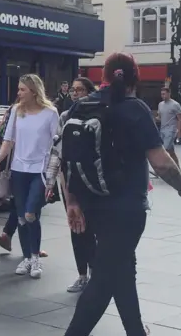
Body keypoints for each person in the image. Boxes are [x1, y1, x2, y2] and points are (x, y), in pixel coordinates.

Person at [57, 53, 181, 336]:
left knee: (122, 268)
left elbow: (66, 158)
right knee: (104, 280)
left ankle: (135, 331)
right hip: (126, 209)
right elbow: (160, 162)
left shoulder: (80, 106)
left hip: (91, 203)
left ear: (103, 77)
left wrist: (72, 201)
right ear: (135, 79)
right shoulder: (136, 109)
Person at [0, 74, 59, 278]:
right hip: (19, 169)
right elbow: (8, 140)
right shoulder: (17, 111)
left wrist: (55, 173)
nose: (18, 93)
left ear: (33, 91)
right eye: (18, 89)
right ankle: (27, 258)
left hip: (40, 170)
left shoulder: (50, 113)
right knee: (20, 218)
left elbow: (57, 143)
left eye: (22, 90)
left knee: (30, 214)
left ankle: (35, 259)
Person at [0, 102, 48, 258]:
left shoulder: (13, 109)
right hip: (22, 162)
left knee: (22, 205)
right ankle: (32, 249)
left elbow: (2, 138)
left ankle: (11, 234)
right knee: (29, 207)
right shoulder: (19, 111)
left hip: (16, 162)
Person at [61, 77, 98, 293]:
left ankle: (95, 272)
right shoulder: (66, 116)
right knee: (76, 228)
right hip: (71, 180)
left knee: (91, 227)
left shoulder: (98, 117)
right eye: (73, 90)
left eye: (80, 90)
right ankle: (82, 274)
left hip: (92, 183)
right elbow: (58, 151)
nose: (75, 94)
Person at [156, 87, 181, 168]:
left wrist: (179, 132)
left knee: (164, 150)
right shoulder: (160, 104)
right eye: (161, 94)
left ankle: (160, 169)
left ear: (169, 94)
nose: (162, 96)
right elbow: (159, 116)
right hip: (162, 130)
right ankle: (177, 167)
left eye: (164, 94)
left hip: (171, 130)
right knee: (171, 151)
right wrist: (155, 118)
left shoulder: (175, 104)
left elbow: (180, 119)